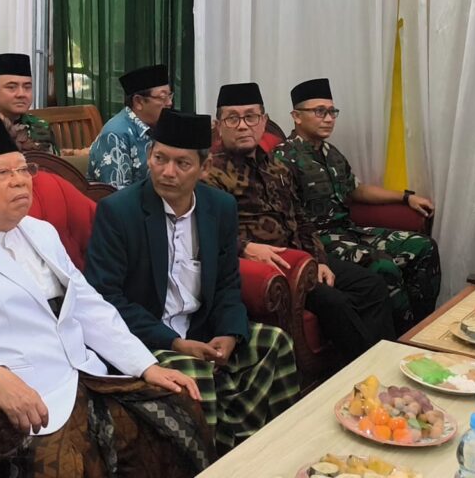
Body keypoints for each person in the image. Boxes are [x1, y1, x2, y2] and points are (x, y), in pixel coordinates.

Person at [0, 117, 214, 477]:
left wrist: (145, 365)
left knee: (179, 413)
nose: (20, 180)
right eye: (3, 173)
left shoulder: (40, 231)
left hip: (88, 376)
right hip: (34, 400)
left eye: (23, 169)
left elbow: (88, 306)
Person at [85, 108, 302, 453]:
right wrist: (174, 343)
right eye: (160, 158)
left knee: (275, 342)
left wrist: (230, 332)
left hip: (200, 328)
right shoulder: (119, 212)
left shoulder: (220, 207)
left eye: (182, 163)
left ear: (204, 167)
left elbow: (228, 282)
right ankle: (217, 460)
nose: (167, 172)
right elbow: (105, 297)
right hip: (147, 338)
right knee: (195, 376)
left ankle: (274, 450)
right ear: (149, 156)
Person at [204, 83, 393, 361]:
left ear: (263, 121)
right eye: (233, 118)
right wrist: (244, 247)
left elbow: (301, 219)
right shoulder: (210, 173)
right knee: (335, 302)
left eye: (251, 116)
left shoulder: (277, 168)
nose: (243, 125)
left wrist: (320, 260)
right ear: (220, 125)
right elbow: (205, 231)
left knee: (371, 285)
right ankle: (366, 370)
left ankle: (383, 360)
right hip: (270, 266)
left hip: (303, 258)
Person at [275, 78, 442, 327]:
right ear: (297, 116)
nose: (329, 118)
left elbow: (356, 190)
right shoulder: (282, 158)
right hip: (319, 240)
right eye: (320, 111)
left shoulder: (331, 153)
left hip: (349, 230)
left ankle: (423, 325)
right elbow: (287, 217)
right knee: (384, 266)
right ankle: (402, 336)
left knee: (424, 247)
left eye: (332, 112)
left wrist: (406, 197)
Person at [87, 64, 173, 188]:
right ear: (138, 102)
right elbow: (117, 193)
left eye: (170, 96)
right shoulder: (114, 135)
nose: (169, 103)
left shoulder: (161, 125)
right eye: (163, 97)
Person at [0, 53, 57, 154]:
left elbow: (54, 162)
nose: (21, 94)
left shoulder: (41, 126)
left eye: (27, 87)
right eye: (11, 87)